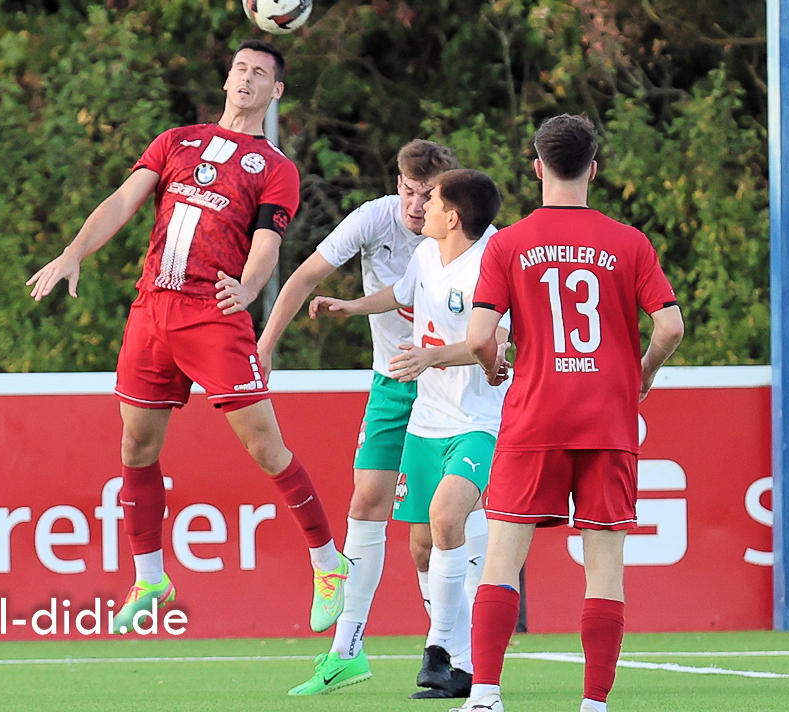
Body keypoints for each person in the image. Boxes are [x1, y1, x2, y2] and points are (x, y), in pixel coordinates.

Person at [26, 39, 348, 636]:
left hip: (213, 311)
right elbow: (123, 200)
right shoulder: (177, 141)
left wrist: (249, 287)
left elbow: (267, 242)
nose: (246, 79)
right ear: (226, 79)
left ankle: (328, 563)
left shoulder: (275, 167)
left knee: (266, 448)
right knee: (136, 447)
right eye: (240, 69)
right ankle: (151, 579)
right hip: (152, 309)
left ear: (276, 91)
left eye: (260, 74)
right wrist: (73, 252)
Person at [455, 114, 684, 712]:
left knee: (502, 559)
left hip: (535, 417)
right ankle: (594, 703)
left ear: (538, 168)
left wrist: (493, 366)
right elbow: (670, 325)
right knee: (605, 566)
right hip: (607, 420)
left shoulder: (508, 243)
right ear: (593, 170)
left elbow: (479, 336)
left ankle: (485, 695)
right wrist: (644, 371)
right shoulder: (629, 242)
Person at [256, 140, 460, 695]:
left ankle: (452, 650)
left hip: (448, 388)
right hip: (392, 383)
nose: (415, 205)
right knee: (365, 502)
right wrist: (266, 346)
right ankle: (346, 650)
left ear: (446, 194)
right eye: (408, 191)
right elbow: (304, 276)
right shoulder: (375, 219)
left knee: (427, 536)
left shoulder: (465, 233)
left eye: (427, 195)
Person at [310, 170, 511, 699]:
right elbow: (398, 295)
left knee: (446, 517)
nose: (421, 208)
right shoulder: (424, 255)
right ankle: (461, 665)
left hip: (476, 421)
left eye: (433, 200)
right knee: (422, 544)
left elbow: (494, 340)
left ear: (453, 217)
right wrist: (350, 307)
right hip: (426, 421)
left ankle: (440, 649)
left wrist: (431, 357)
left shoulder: (490, 264)